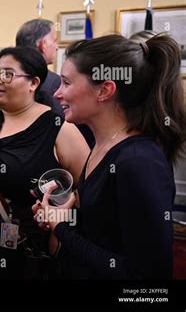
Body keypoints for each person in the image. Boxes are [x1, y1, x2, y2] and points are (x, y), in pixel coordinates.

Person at [33, 34, 186, 279]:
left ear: (105, 89)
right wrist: (66, 214)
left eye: (66, 83)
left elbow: (146, 275)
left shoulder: (139, 162)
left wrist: (60, 228)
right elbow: (104, 228)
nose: (57, 94)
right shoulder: (100, 144)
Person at [0, 46, 89, 279]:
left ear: (33, 83)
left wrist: (59, 215)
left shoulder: (58, 128)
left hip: (19, 245)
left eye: (8, 74)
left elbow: (89, 187)